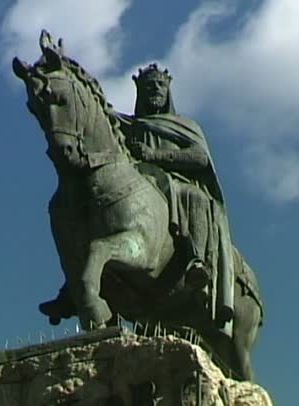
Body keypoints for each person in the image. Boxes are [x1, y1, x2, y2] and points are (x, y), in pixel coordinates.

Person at [40, 63, 235, 333]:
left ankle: (196, 261)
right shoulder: (130, 124)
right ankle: (72, 287)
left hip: (176, 182)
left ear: (168, 91)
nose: (154, 90)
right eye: (147, 87)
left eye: (159, 86)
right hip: (141, 179)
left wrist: (155, 156)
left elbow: (200, 157)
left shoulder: (184, 125)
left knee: (194, 198)